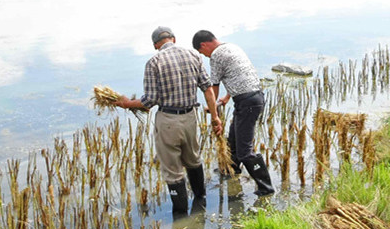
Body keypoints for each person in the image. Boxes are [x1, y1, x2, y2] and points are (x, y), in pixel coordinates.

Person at [115, 26, 222, 215]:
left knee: (172, 170)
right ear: (173, 38)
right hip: (190, 117)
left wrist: (127, 103)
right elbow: (207, 89)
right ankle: (200, 201)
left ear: (156, 44)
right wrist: (215, 117)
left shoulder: (154, 61)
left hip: (168, 121)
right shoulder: (194, 56)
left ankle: (180, 216)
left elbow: (150, 101)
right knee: (193, 159)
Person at [192, 30, 274, 197]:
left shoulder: (216, 55)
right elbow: (239, 75)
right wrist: (227, 97)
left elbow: (213, 86)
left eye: (202, 53)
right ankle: (231, 170)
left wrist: (213, 109)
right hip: (253, 97)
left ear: (204, 45)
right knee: (233, 141)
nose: (205, 56)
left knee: (245, 151)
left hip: (247, 102)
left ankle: (266, 188)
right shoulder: (232, 47)